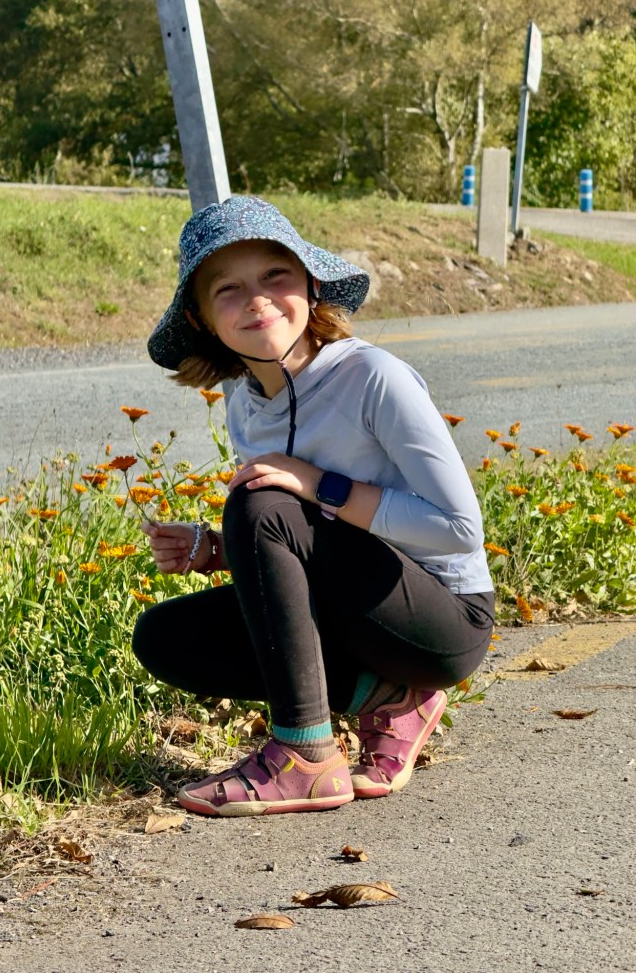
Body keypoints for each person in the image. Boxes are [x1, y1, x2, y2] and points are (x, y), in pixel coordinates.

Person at [132, 196, 494, 818]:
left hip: (442, 622)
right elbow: (302, 539)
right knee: (165, 638)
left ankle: (305, 756)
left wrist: (320, 485)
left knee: (260, 502)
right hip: (356, 613)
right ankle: (391, 700)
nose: (258, 300)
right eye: (228, 289)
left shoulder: (374, 377)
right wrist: (217, 549)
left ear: (311, 286)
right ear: (201, 319)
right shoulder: (244, 401)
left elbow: (458, 530)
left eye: (276, 276)